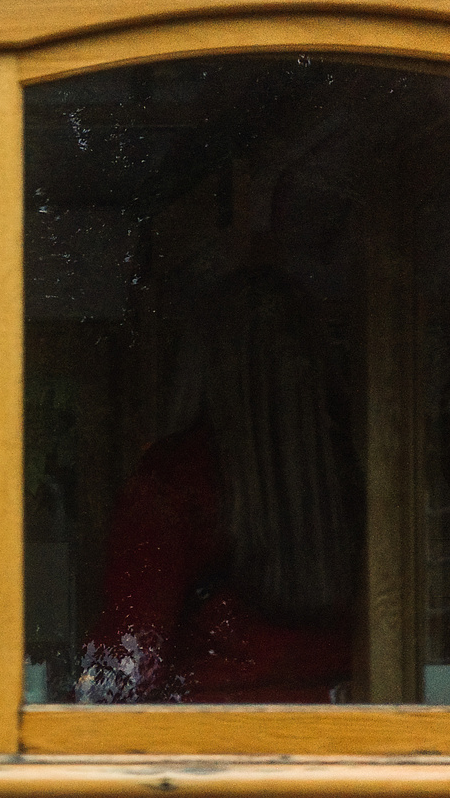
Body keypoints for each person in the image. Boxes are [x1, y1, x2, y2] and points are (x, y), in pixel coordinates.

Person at [78, 271, 357, 703]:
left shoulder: (174, 478)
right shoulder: (356, 477)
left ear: (201, 364)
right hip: (343, 744)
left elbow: (124, 670)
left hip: (206, 746)